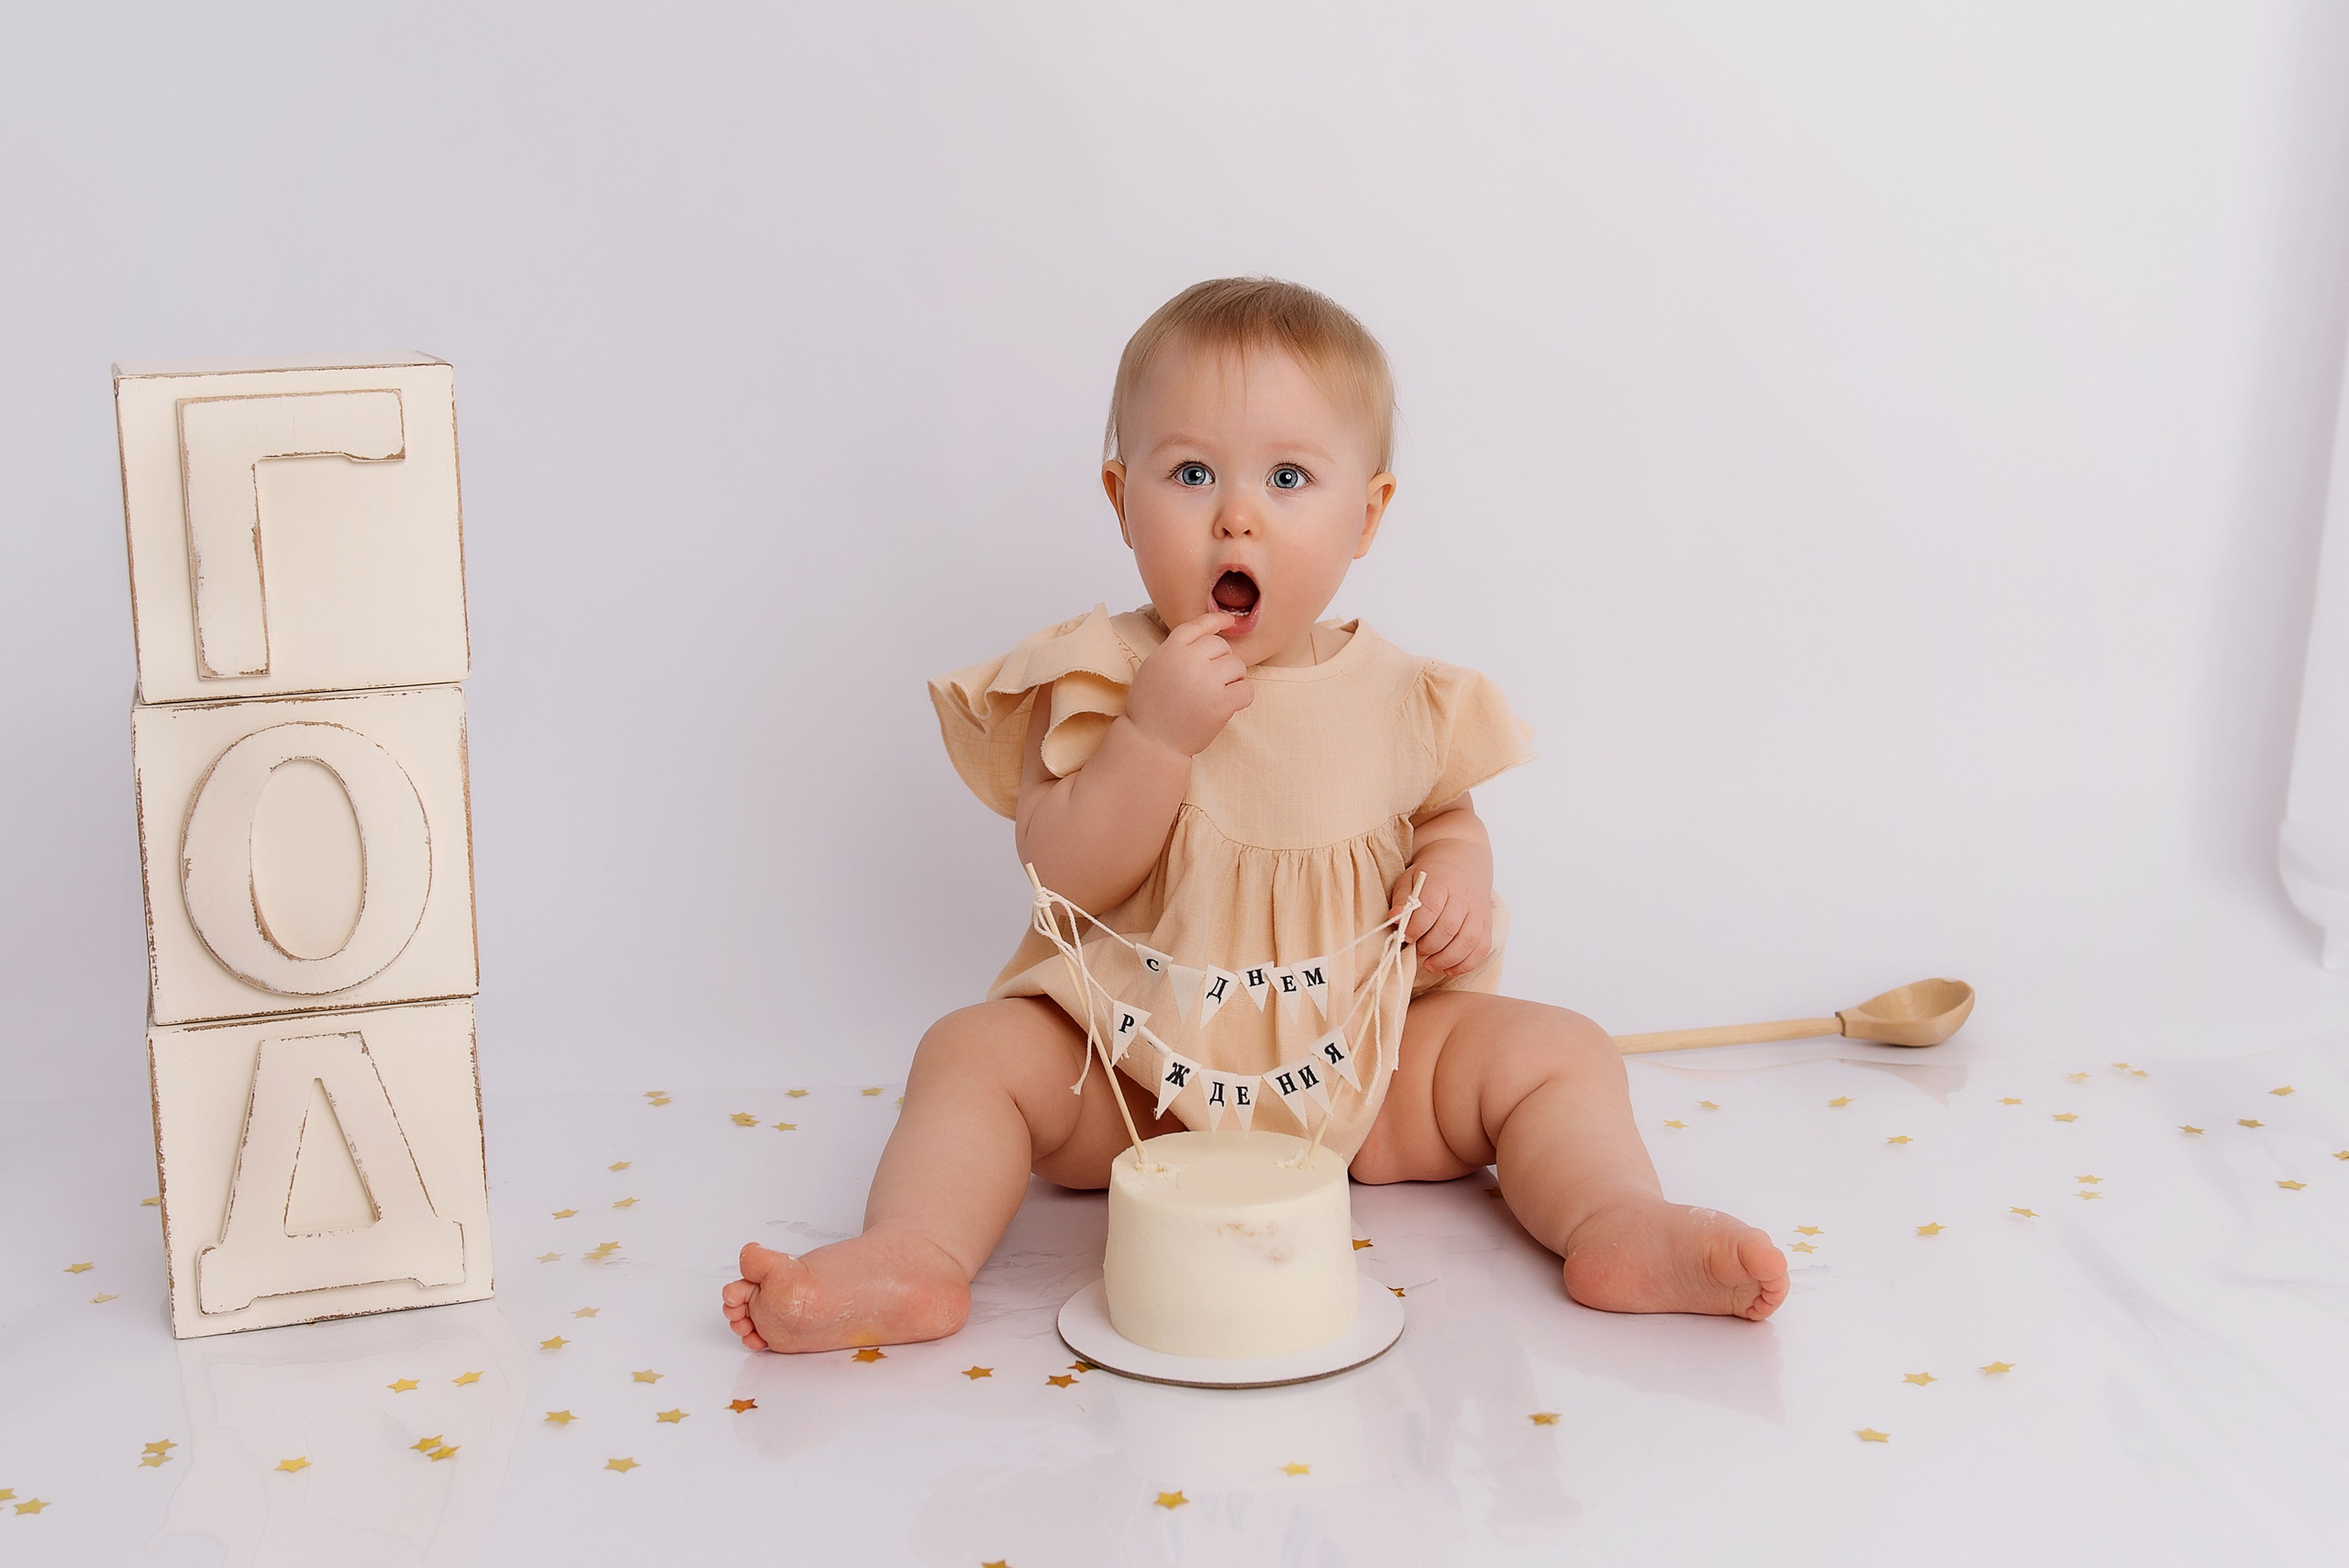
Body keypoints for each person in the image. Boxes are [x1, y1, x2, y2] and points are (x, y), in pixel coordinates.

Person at [723, 277, 1787, 1352]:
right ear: (1121, 498)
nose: (1237, 514)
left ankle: (1615, 1221)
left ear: (1366, 513)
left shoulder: (1402, 693)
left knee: (1562, 1051)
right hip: (1133, 1077)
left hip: (1368, 1063)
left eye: (1287, 477)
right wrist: (1151, 738)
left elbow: (1447, 816)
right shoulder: (1104, 675)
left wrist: (1453, 877)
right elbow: (1060, 874)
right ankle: (913, 1253)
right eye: (1191, 473)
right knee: (970, 1053)